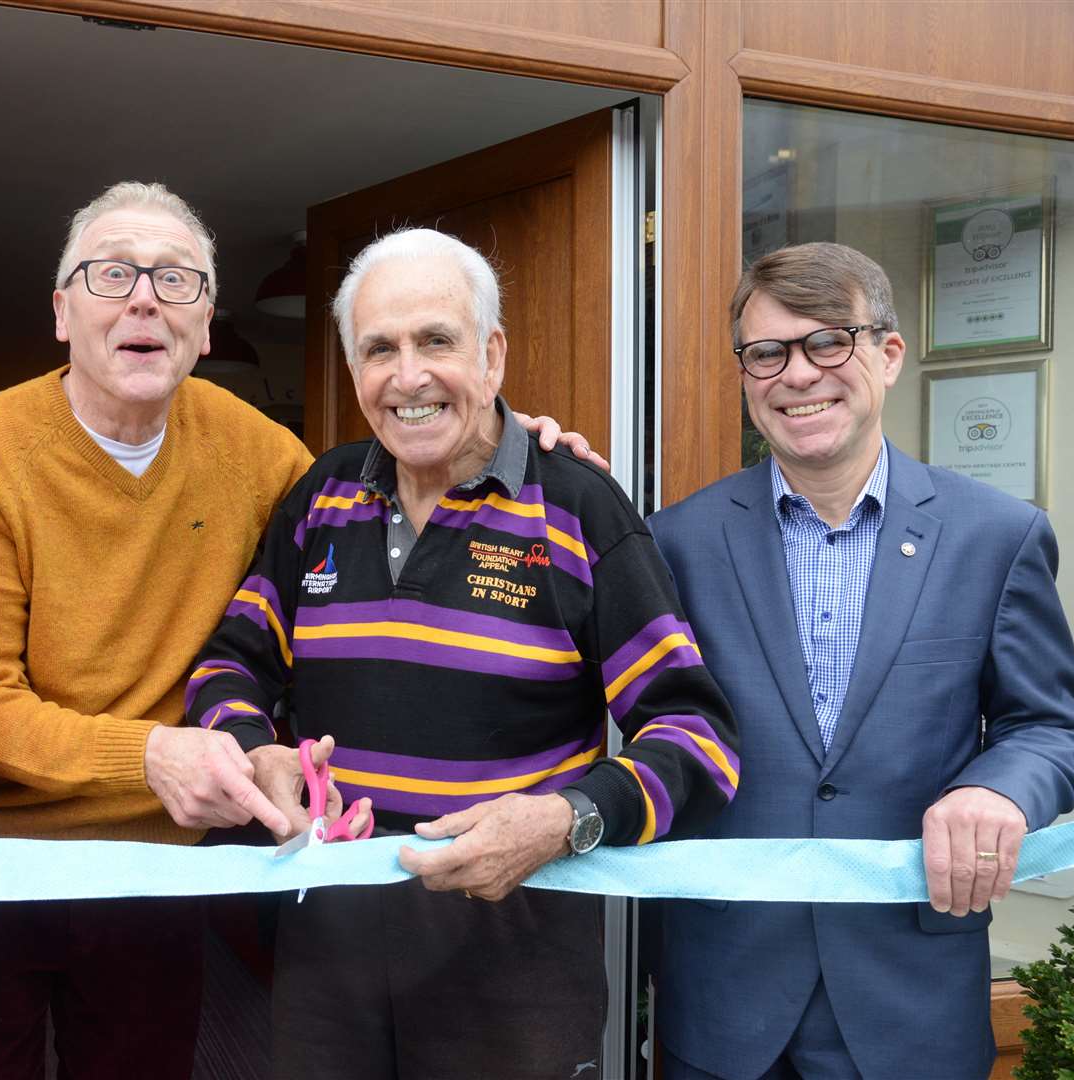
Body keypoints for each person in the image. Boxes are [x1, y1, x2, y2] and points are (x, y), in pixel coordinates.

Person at [0, 182, 600, 1079]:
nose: (143, 299)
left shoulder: (262, 453)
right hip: (1, 865)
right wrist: (152, 755)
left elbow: (400, 453)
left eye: (177, 281)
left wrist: (520, 444)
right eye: (112, 273)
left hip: (166, 862)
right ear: (61, 311)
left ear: (206, 327)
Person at [182, 227, 740, 1080]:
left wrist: (565, 819)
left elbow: (697, 739)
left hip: (513, 968)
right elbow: (230, 665)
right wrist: (257, 751)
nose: (407, 377)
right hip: (327, 960)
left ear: (492, 355)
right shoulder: (320, 498)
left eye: (435, 341)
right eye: (379, 350)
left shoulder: (580, 510)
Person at [649, 243, 1074, 1079]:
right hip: (724, 1001)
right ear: (746, 377)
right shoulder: (677, 541)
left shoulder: (997, 536)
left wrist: (994, 787)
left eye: (829, 342)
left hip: (911, 1001)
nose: (798, 374)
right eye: (767, 353)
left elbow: (1050, 729)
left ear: (887, 355)